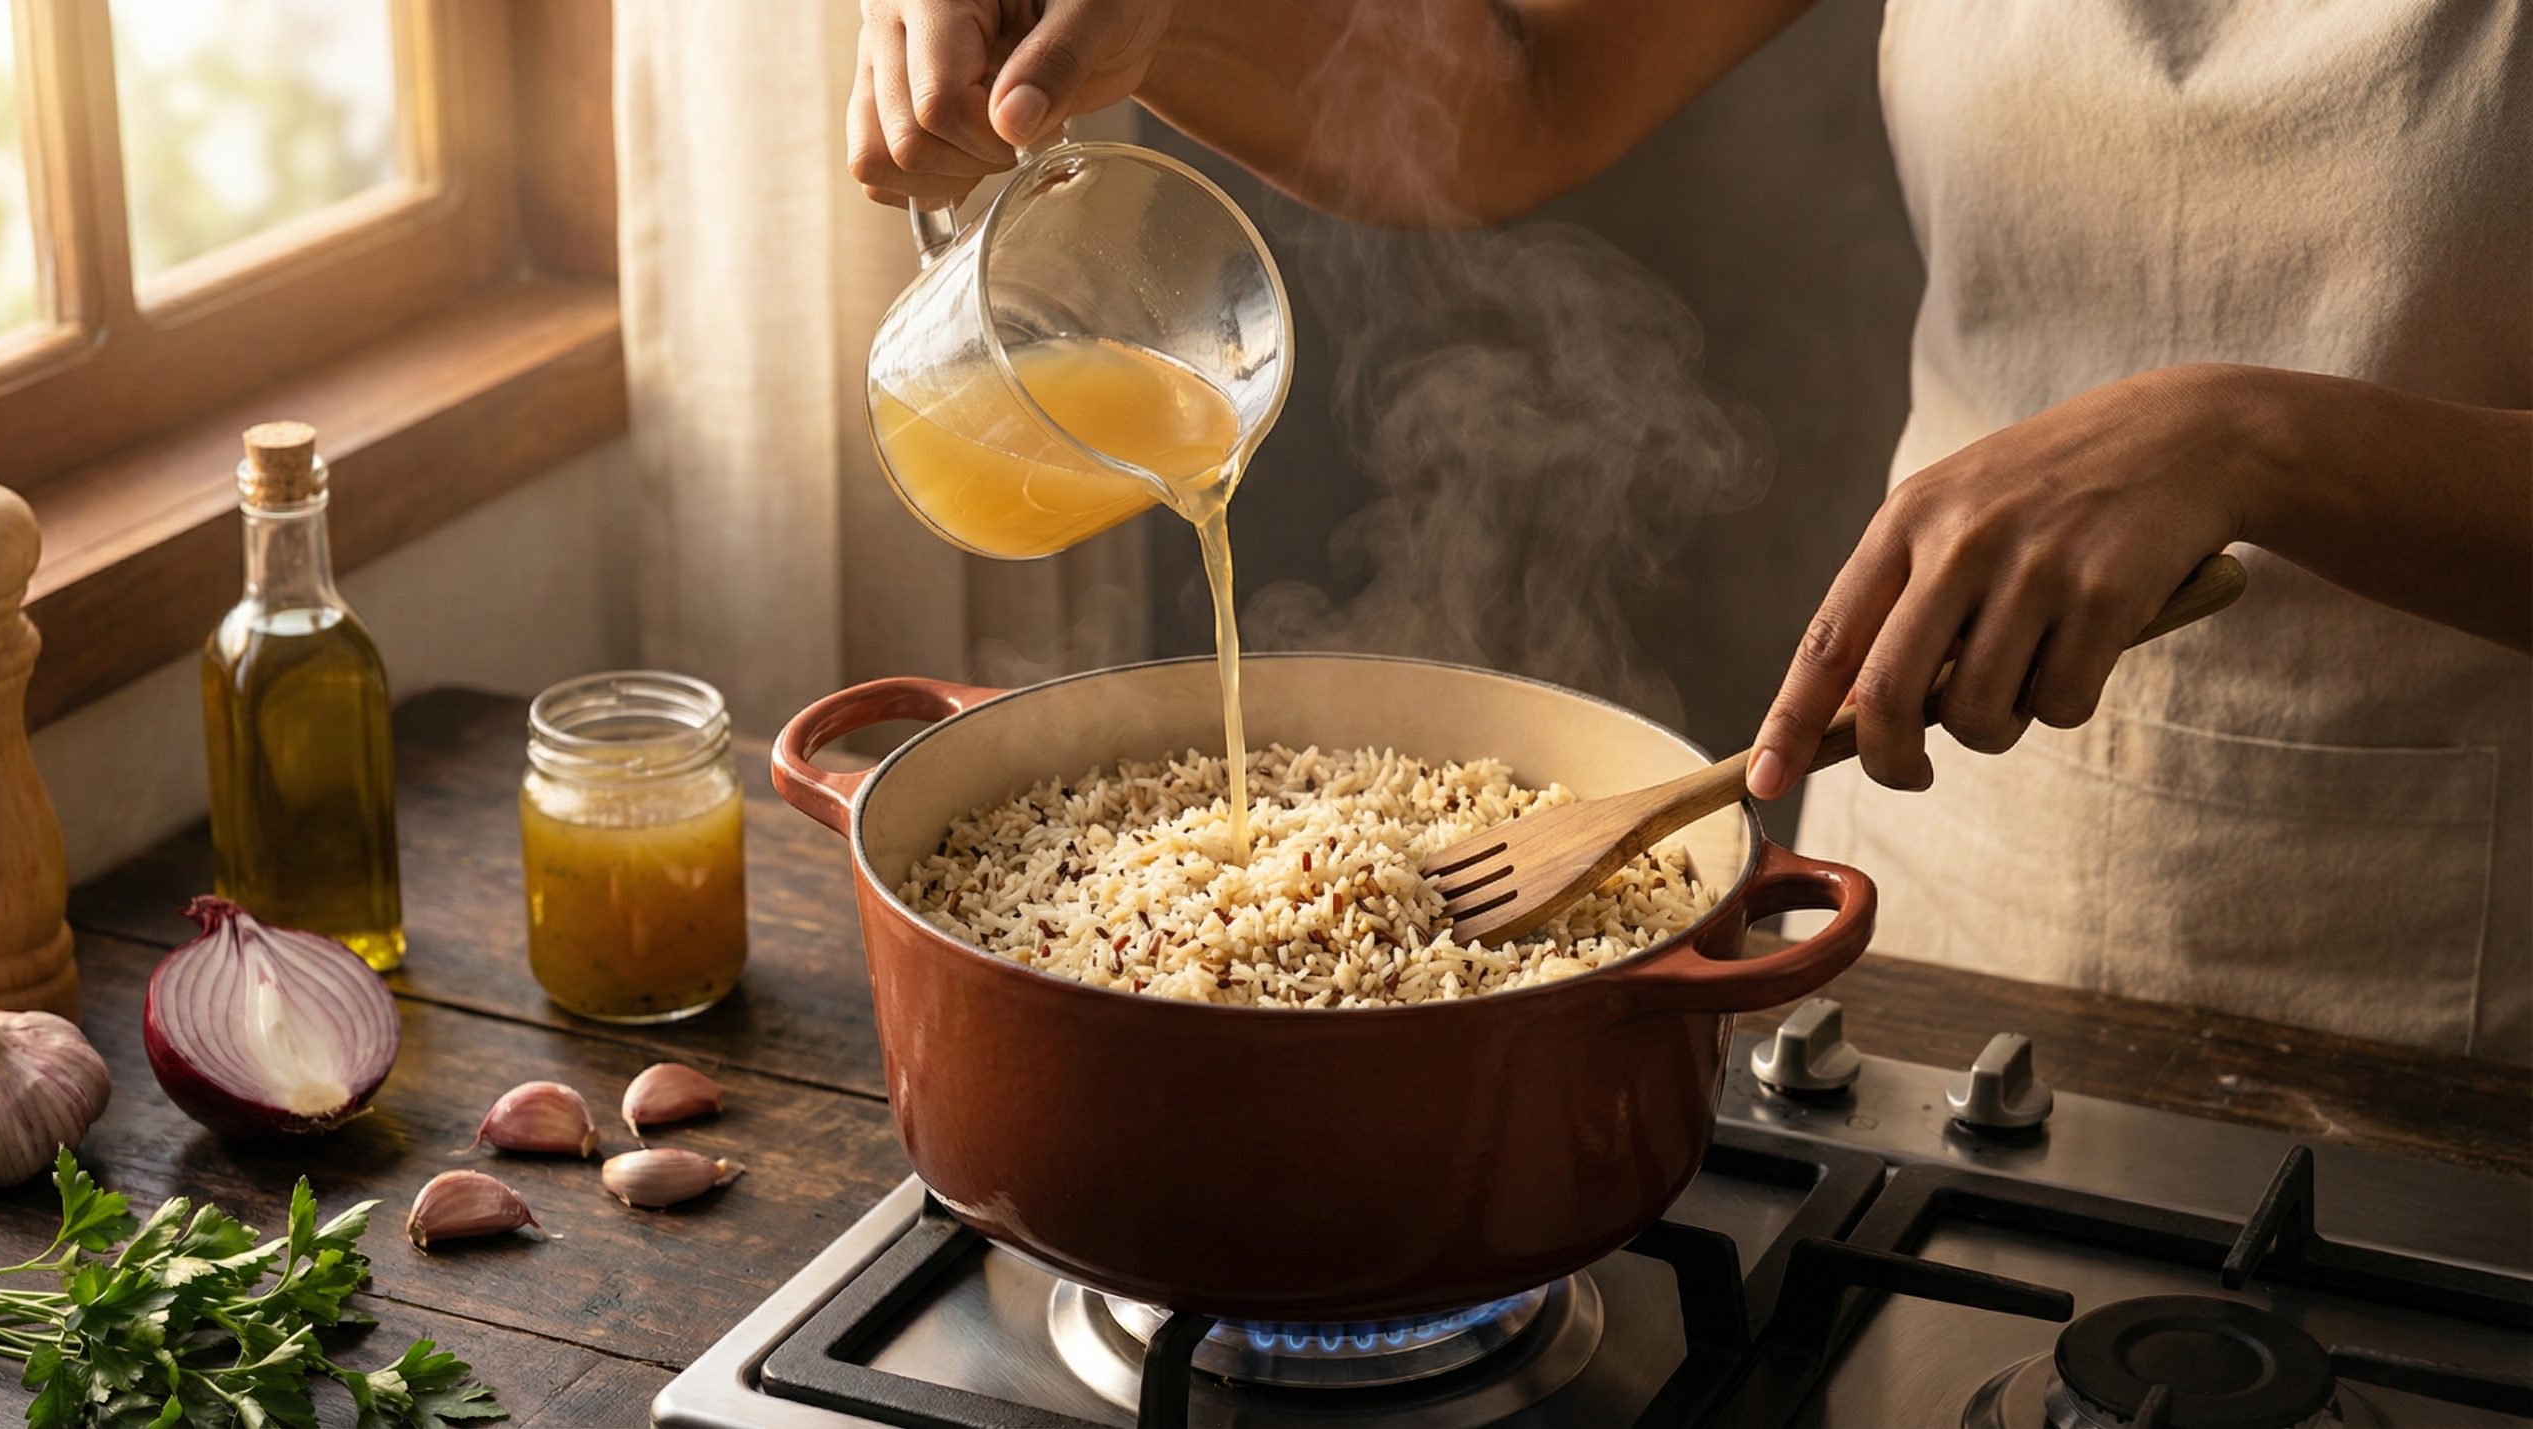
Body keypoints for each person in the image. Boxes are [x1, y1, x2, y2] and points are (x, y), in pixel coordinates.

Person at [845, 0, 2533, 1062]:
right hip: (1938, 886)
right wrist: (1155, 23)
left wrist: (2255, 439)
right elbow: (1520, 86)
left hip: (2443, 1004)